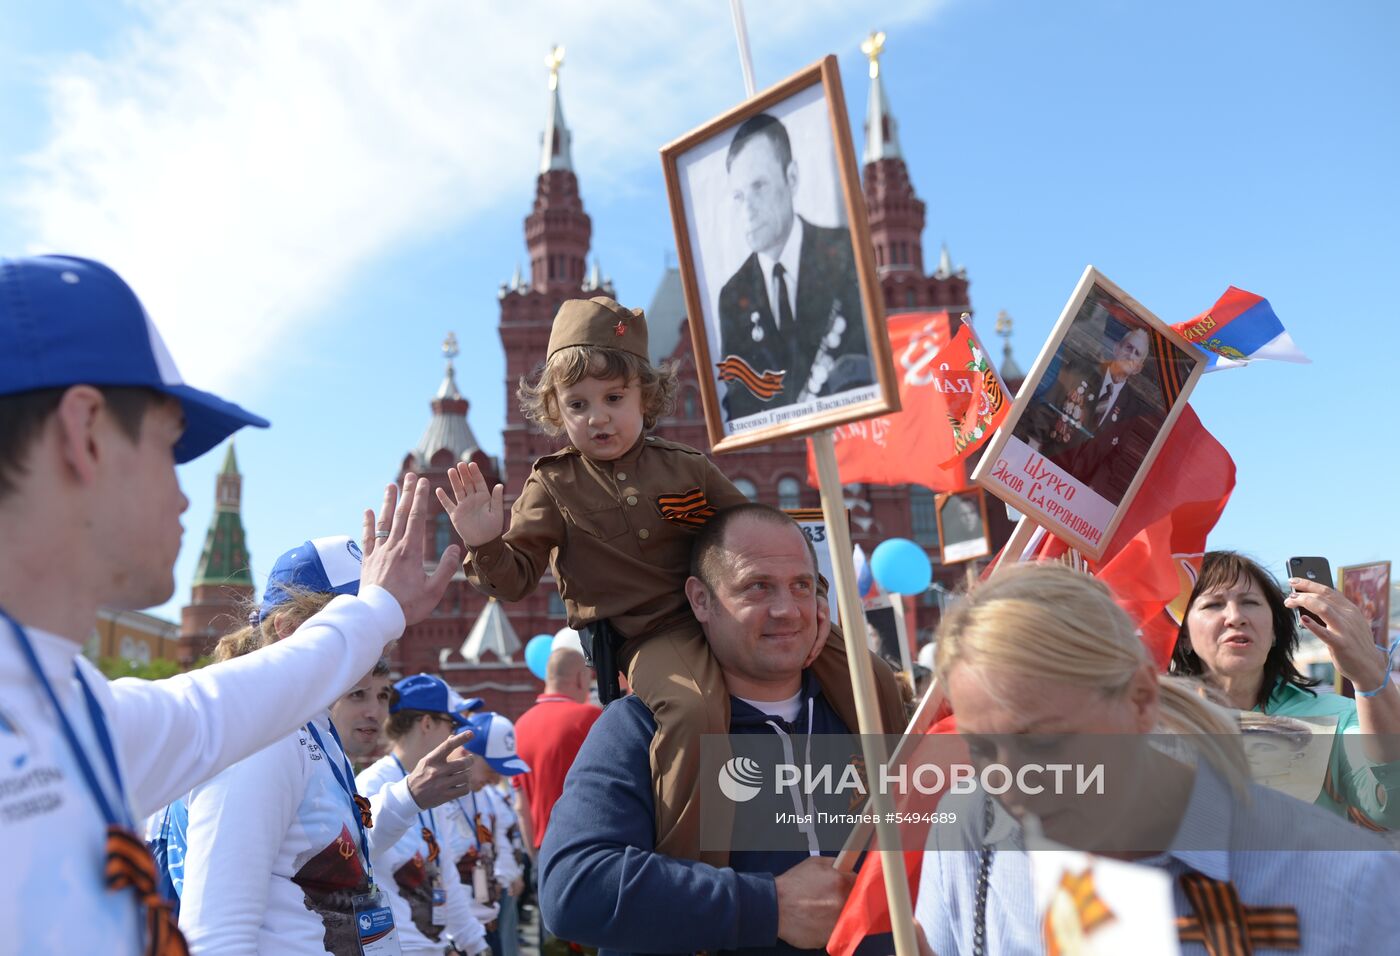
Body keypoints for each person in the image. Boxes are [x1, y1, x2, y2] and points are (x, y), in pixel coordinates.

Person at [0, 254, 459, 954]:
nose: (184, 495)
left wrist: (375, 613)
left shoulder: (68, 706)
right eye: (169, 447)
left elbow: (226, 707)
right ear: (83, 432)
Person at [441, 297, 905, 868]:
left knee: (869, 673)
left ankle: (911, 811)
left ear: (647, 398)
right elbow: (513, 582)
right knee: (691, 713)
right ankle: (695, 871)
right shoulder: (552, 486)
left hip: (734, 613)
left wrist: (815, 603)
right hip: (655, 635)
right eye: (578, 404)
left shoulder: (687, 466)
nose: (598, 417)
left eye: (614, 399)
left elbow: (763, 533)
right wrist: (485, 542)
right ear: (557, 411)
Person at [913, 562, 1400, 955]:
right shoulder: (969, 828)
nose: (1011, 788)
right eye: (980, 748)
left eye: (1042, 743)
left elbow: (1386, 800)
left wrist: (1372, 681)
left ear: (1141, 700)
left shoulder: (1351, 880)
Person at [539, 504, 908, 955]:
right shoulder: (643, 729)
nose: (787, 609)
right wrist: (771, 907)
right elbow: (573, 887)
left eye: (801, 586)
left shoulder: (865, 716)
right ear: (701, 600)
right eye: (757, 587)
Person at [179, 536, 481, 954]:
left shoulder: (312, 728)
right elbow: (215, 937)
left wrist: (407, 798)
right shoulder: (262, 739)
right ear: (287, 629)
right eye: (350, 617)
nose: (373, 636)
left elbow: (328, 859)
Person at [1170, 550, 1400, 828]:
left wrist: (1370, 678)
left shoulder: (1335, 718)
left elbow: (1390, 807)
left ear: (1275, 631)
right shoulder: (1153, 721)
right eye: (1213, 605)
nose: (1235, 617)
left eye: (1250, 602)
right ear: (1183, 635)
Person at [715, 113, 873, 421]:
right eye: (738, 196)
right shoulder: (732, 296)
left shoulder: (845, 253)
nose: (748, 209)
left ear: (792, 177)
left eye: (759, 186)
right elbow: (739, 408)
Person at [358, 674, 491, 956]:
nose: (454, 736)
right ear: (427, 723)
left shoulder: (432, 787)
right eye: (452, 725)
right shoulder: (371, 784)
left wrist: (476, 945)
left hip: (432, 946)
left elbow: (446, 875)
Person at [1023, 326, 1160, 504]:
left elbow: (1113, 457)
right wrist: (1033, 443)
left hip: (1073, 495)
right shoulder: (1082, 369)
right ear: (1117, 348)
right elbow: (1048, 406)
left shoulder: (1131, 407)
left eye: (1137, 353)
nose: (1130, 355)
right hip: (1041, 469)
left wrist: (1093, 490)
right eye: (1128, 348)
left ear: (1138, 368)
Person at [442, 711, 529, 956]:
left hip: (485, 927)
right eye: (492, 768)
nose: (496, 779)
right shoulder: (437, 801)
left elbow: (495, 840)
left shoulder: (482, 794)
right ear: (466, 754)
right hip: (455, 936)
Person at [511, 647, 601, 859]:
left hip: (544, 850)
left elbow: (520, 805)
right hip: (586, 845)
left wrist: (534, 858)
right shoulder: (589, 717)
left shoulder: (520, 726)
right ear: (581, 678)